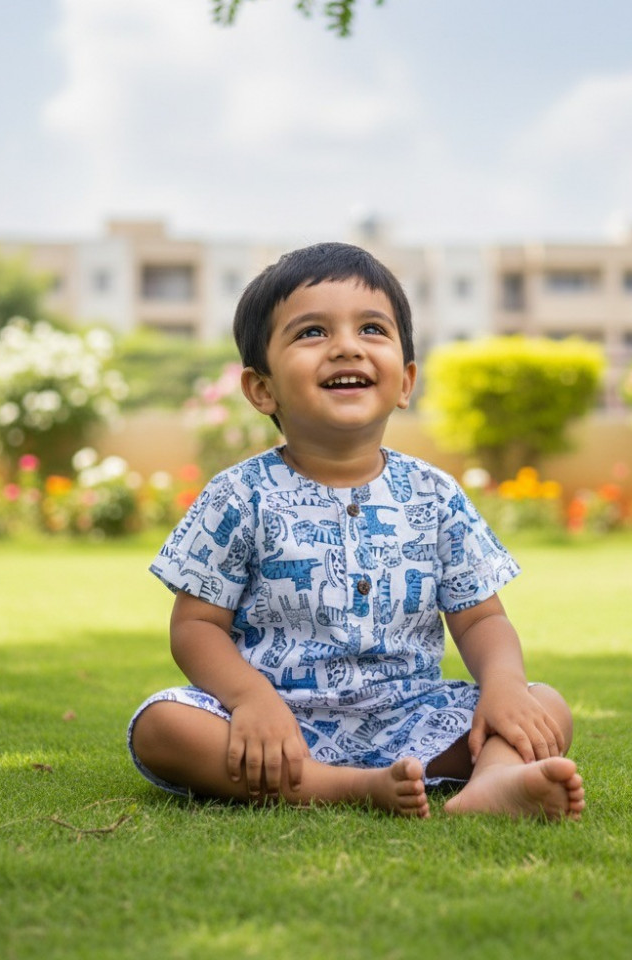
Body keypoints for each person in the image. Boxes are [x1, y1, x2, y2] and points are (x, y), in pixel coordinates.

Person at [128, 242, 585, 820]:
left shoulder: (435, 494)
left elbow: (482, 618)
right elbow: (195, 627)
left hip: (413, 715)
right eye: (312, 333)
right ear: (261, 388)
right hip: (277, 725)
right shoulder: (237, 496)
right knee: (162, 725)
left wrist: (503, 684)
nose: (346, 346)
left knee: (543, 703)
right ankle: (344, 787)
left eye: (372, 329)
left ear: (405, 380)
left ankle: (492, 785)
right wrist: (250, 699)